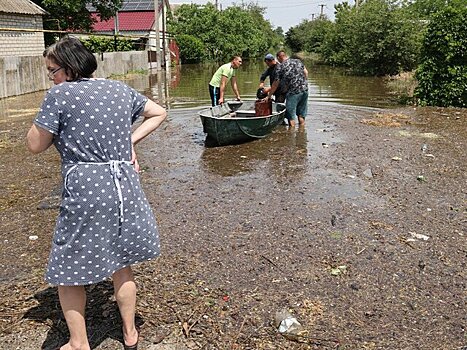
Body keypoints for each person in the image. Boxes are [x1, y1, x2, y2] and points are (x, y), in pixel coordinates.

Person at [26, 36, 167, 350]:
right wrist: (129, 143)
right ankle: (130, 333)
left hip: (87, 187)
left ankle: (79, 342)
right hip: (124, 184)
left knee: (68, 269)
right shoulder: (118, 89)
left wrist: (43, 112)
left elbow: (35, 145)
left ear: (69, 67)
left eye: (52, 70)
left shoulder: (59, 94)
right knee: (121, 260)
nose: (51, 77)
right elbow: (159, 112)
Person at [265, 50, 309, 127]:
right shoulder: (298, 61)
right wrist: (303, 83)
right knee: (301, 115)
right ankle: (302, 133)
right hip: (304, 90)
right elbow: (306, 72)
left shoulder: (280, 67)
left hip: (293, 92)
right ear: (285, 55)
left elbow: (276, 83)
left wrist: (269, 96)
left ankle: (291, 135)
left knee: (290, 117)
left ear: (278, 57)